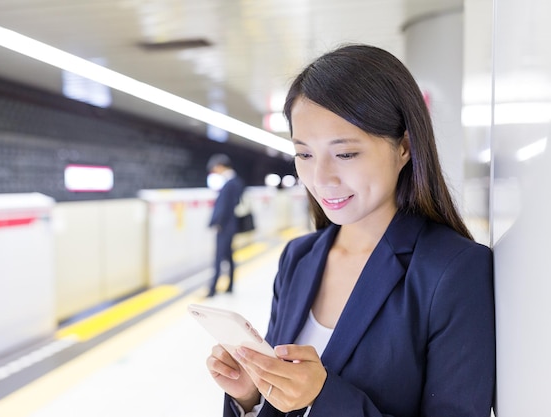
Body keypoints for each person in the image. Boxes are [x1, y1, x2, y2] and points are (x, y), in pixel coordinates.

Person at [205, 44, 495, 416]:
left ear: (404, 147)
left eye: (345, 154)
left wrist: (322, 399)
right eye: (305, 154)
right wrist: (252, 395)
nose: (321, 178)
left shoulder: (453, 271)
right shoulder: (299, 257)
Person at [206, 153, 246, 297]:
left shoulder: (229, 184)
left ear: (221, 166)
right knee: (228, 257)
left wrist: (216, 223)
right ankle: (230, 286)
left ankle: (212, 289)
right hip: (232, 225)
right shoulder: (237, 181)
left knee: (219, 257)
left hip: (225, 226)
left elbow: (223, 207)